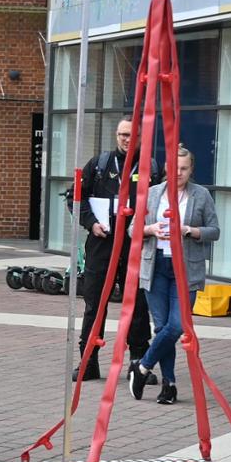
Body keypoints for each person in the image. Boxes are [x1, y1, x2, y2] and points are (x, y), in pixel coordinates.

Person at [129, 148, 218, 404]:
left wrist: (189, 230)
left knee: (177, 326)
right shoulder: (154, 192)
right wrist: (151, 228)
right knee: (161, 328)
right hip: (156, 266)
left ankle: (142, 367)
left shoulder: (201, 195)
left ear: (191, 170)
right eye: (174, 167)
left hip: (185, 268)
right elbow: (132, 230)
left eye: (184, 168)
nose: (178, 173)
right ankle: (169, 385)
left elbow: (214, 230)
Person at [77, 118, 162, 382]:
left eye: (132, 135)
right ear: (116, 135)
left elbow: (160, 202)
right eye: (123, 134)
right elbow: (75, 197)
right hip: (101, 245)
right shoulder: (99, 165)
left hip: (135, 246)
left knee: (136, 306)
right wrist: (91, 224)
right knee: (95, 305)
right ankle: (88, 362)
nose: (127, 139)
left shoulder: (151, 167)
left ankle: (139, 363)